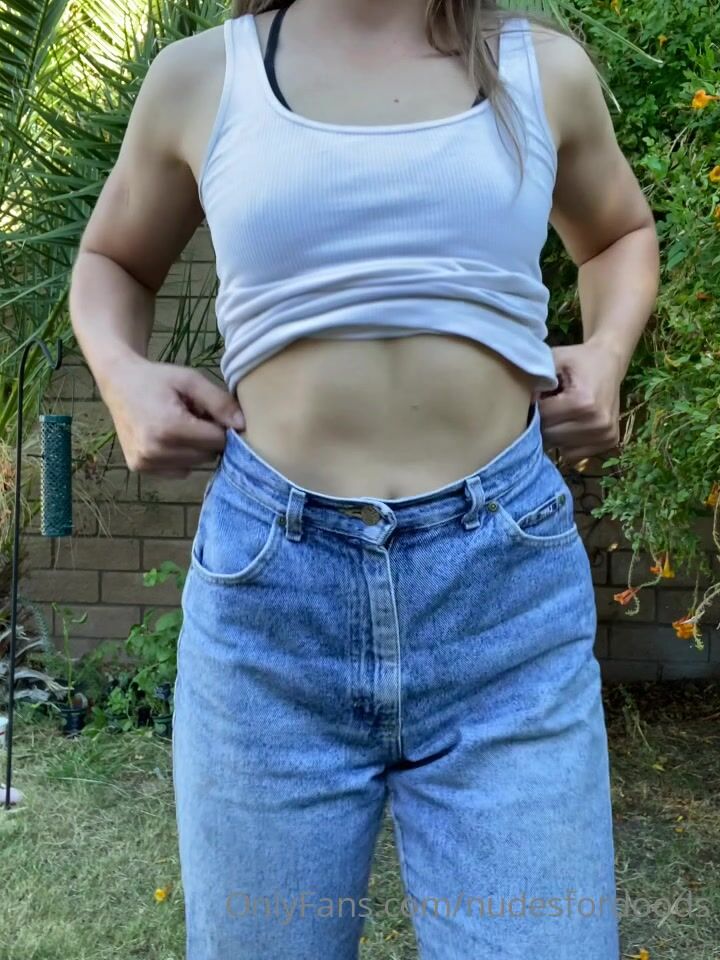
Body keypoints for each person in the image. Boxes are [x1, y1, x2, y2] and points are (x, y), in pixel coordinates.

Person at [69, 0, 660, 957]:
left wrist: (608, 353)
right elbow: (112, 261)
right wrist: (121, 375)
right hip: (272, 614)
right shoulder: (202, 76)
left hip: (504, 606)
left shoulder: (541, 70)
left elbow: (619, 233)